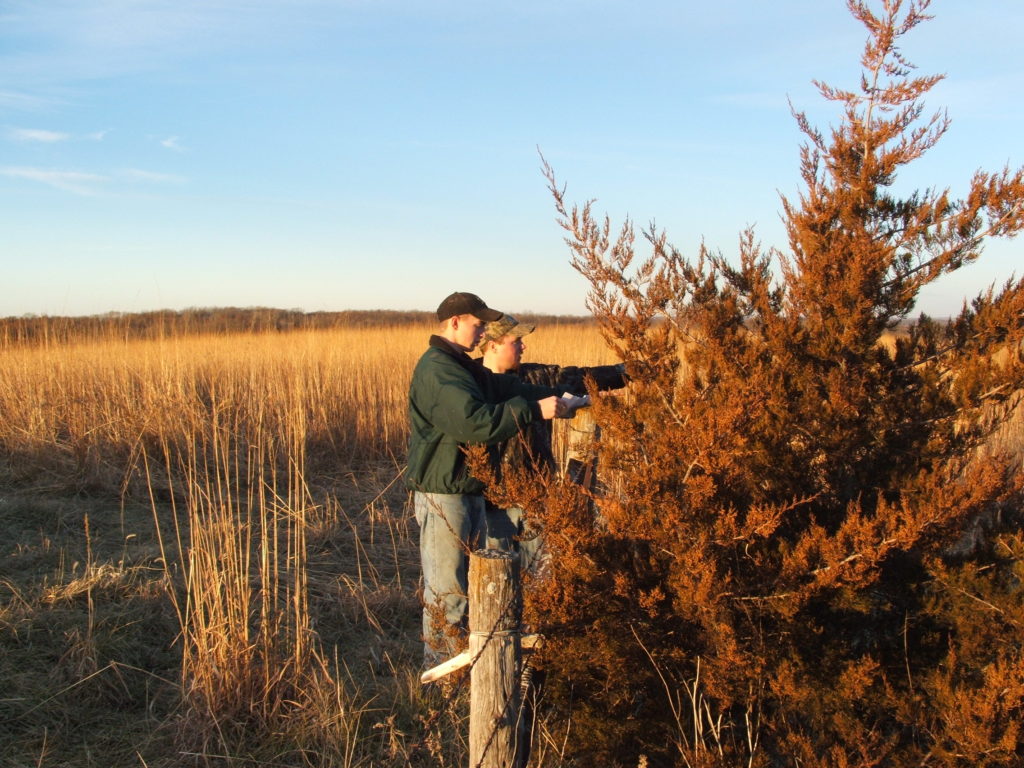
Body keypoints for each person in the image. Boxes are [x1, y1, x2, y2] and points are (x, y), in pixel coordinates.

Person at [407, 292, 566, 665]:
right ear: (455, 322)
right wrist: (532, 411)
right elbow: (475, 422)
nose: (482, 333)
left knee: (468, 587)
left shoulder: (460, 365)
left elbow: (507, 388)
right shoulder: (438, 369)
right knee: (448, 592)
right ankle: (442, 679)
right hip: (444, 491)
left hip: (466, 489)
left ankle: (468, 666)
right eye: (478, 324)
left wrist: (560, 398)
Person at [477, 315, 627, 572]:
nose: (524, 346)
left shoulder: (536, 376)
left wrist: (625, 372)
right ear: (492, 345)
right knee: (496, 574)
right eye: (517, 341)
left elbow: (581, 377)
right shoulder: (469, 382)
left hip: (536, 493)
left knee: (536, 575)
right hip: (491, 500)